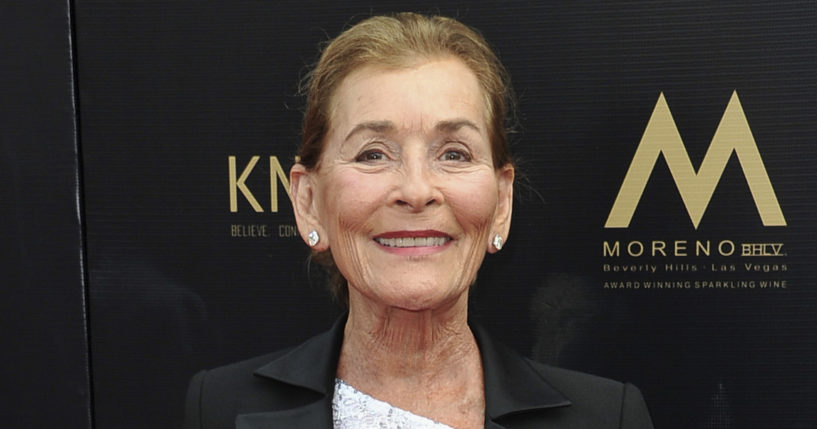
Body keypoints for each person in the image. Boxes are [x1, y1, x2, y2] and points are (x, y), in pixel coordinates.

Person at [184, 12, 654, 429]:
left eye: (453, 153)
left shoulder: (606, 417)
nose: (415, 190)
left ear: (502, 203)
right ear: (308, 201)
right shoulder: (220, 408)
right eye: (373, 154)